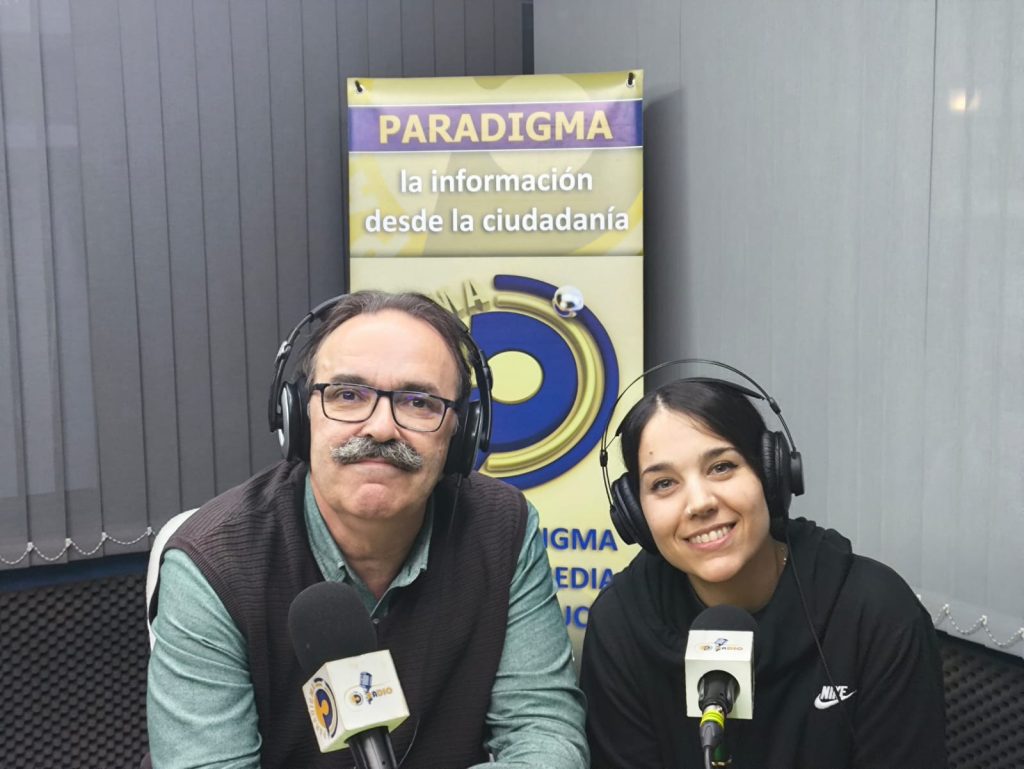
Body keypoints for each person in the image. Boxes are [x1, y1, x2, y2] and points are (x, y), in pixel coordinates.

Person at [146, 290, 588, 769]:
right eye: (348, 395)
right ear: (298, 416)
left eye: (418, 402)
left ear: (461, 433)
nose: (380, 428)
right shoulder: (214, 562)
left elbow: (546, 737)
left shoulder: (503, 528)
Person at [580, 374, 947, 769]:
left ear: (772, 475)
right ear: (634, 514)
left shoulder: (876, 613)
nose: (699, 503)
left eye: (722, 467)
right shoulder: (620, 624)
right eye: (664, 483)